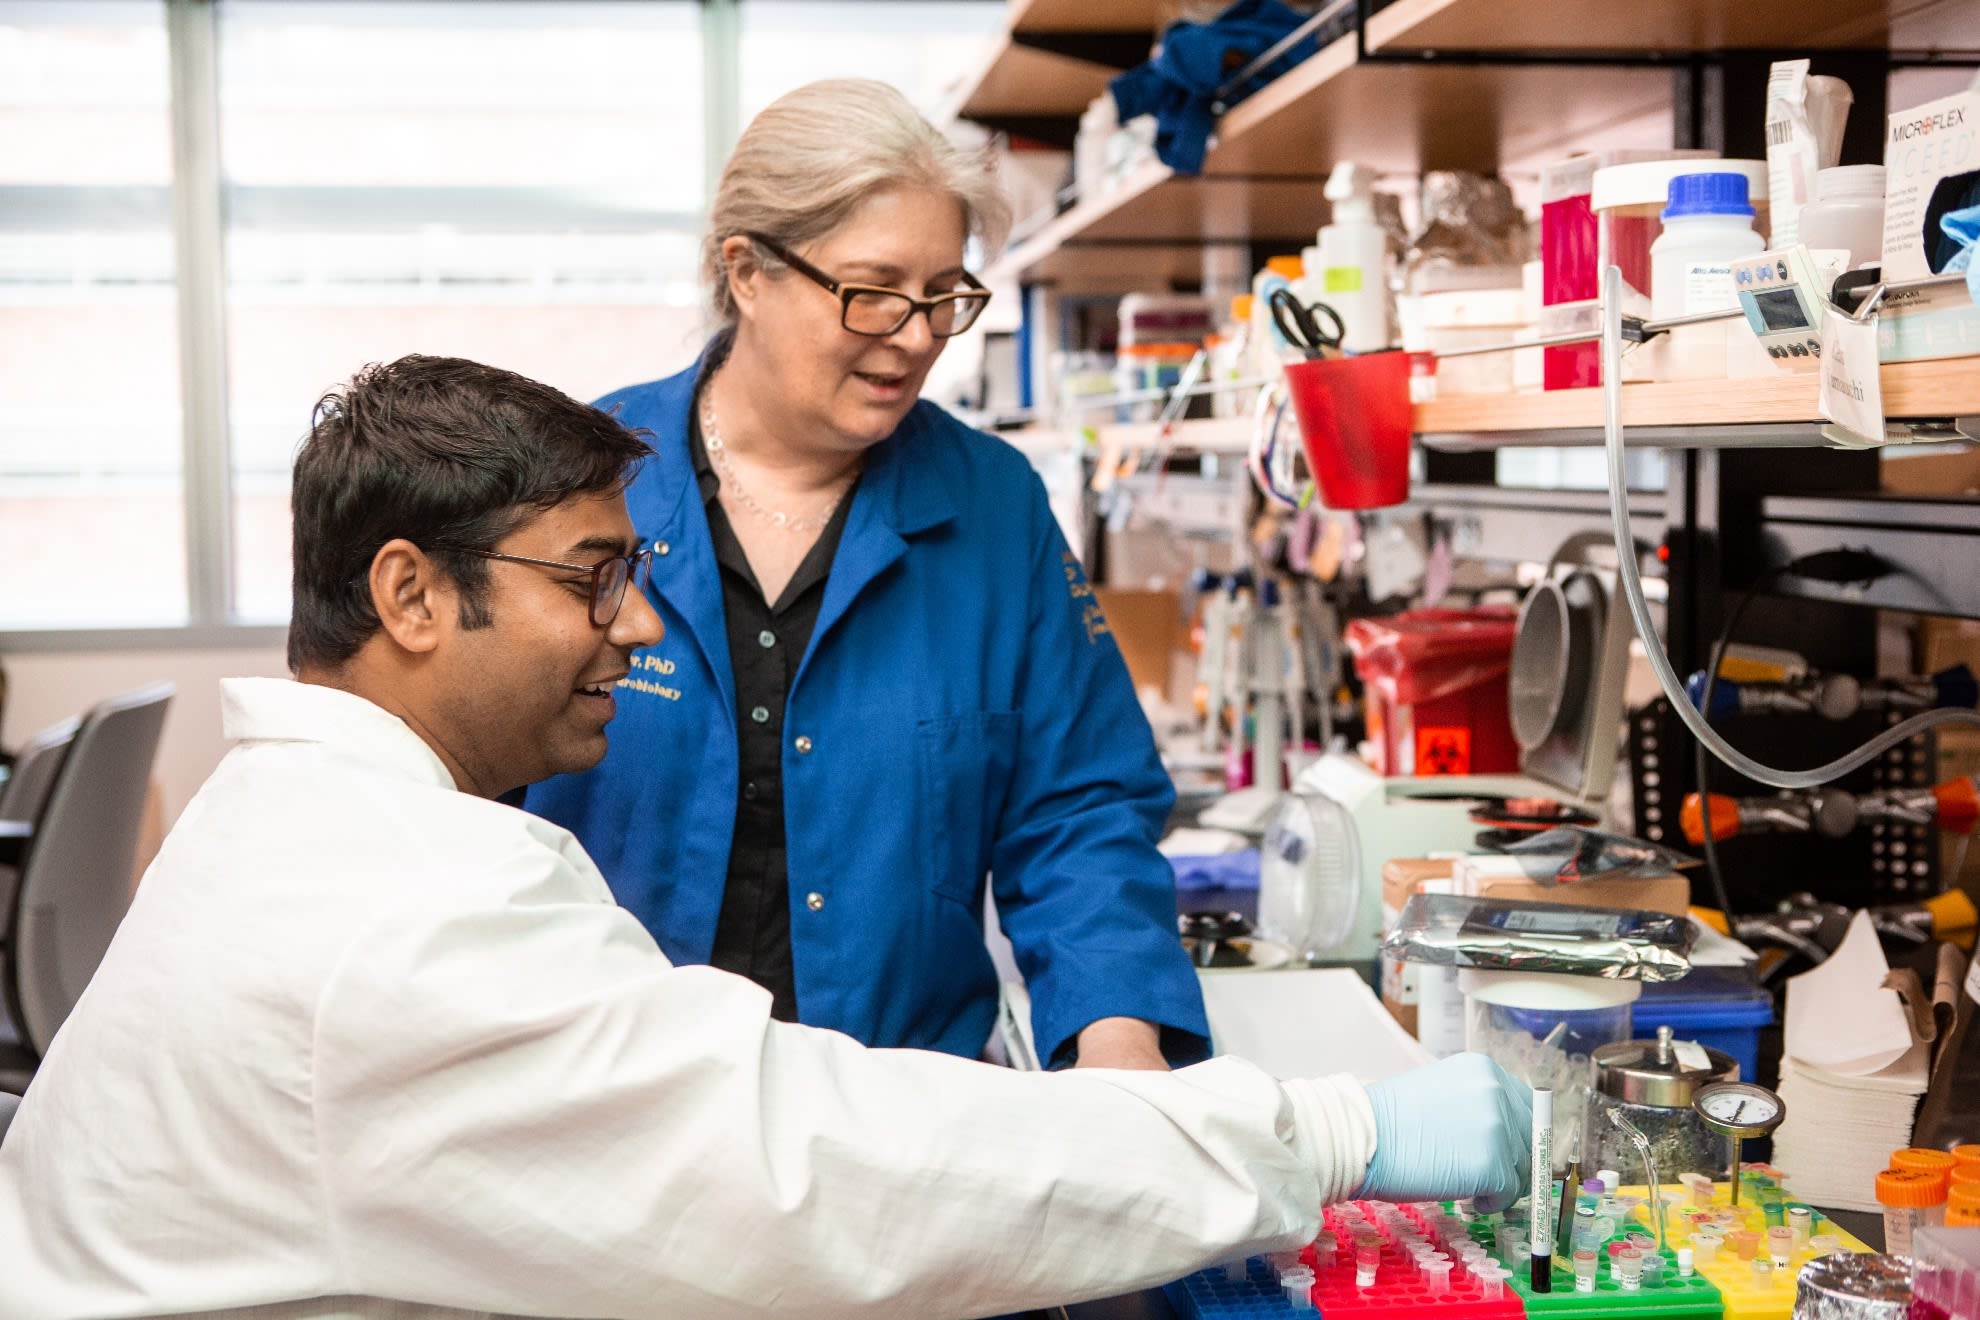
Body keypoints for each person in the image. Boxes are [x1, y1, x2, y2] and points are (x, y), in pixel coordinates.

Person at [0, 355, 1532, 1319]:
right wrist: (1331, 1133)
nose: (642, 627)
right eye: (596, 579)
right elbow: (822, 1174)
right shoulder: (401, 915)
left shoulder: (299, 822)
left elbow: (1068, 808)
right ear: (410, 597)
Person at [526, 78, 1203, 1072]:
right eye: (875, 290)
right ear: (747, 271)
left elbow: (1078, 811)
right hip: (611, 1102)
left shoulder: (992, 509)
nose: (920, 334)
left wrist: (1119, 1045)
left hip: (900, 1119)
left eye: (944, 295)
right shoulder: (582, 479)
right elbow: (466, 787)